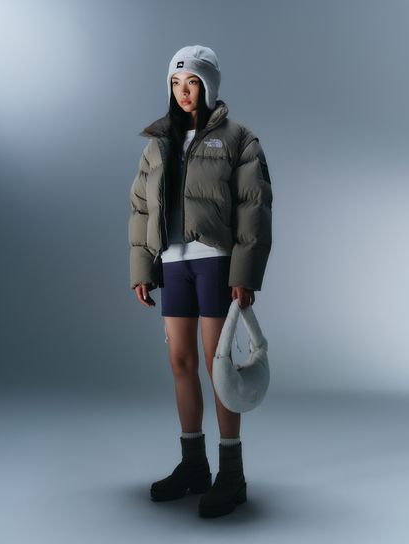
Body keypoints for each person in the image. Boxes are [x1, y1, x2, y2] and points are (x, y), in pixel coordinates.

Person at [128, 45, 273, 518]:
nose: (183, 91)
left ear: (208, 86)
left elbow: (254, 207)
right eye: (175, 82)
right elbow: (141, 208)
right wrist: (143, 268)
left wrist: (244, 274)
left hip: (215, 263)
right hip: (173, 263)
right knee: (180, 361)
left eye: (191, 82)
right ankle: (194, 465)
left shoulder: (238, 138)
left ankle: (232, 474)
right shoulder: (158, 143)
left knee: (218, 367)